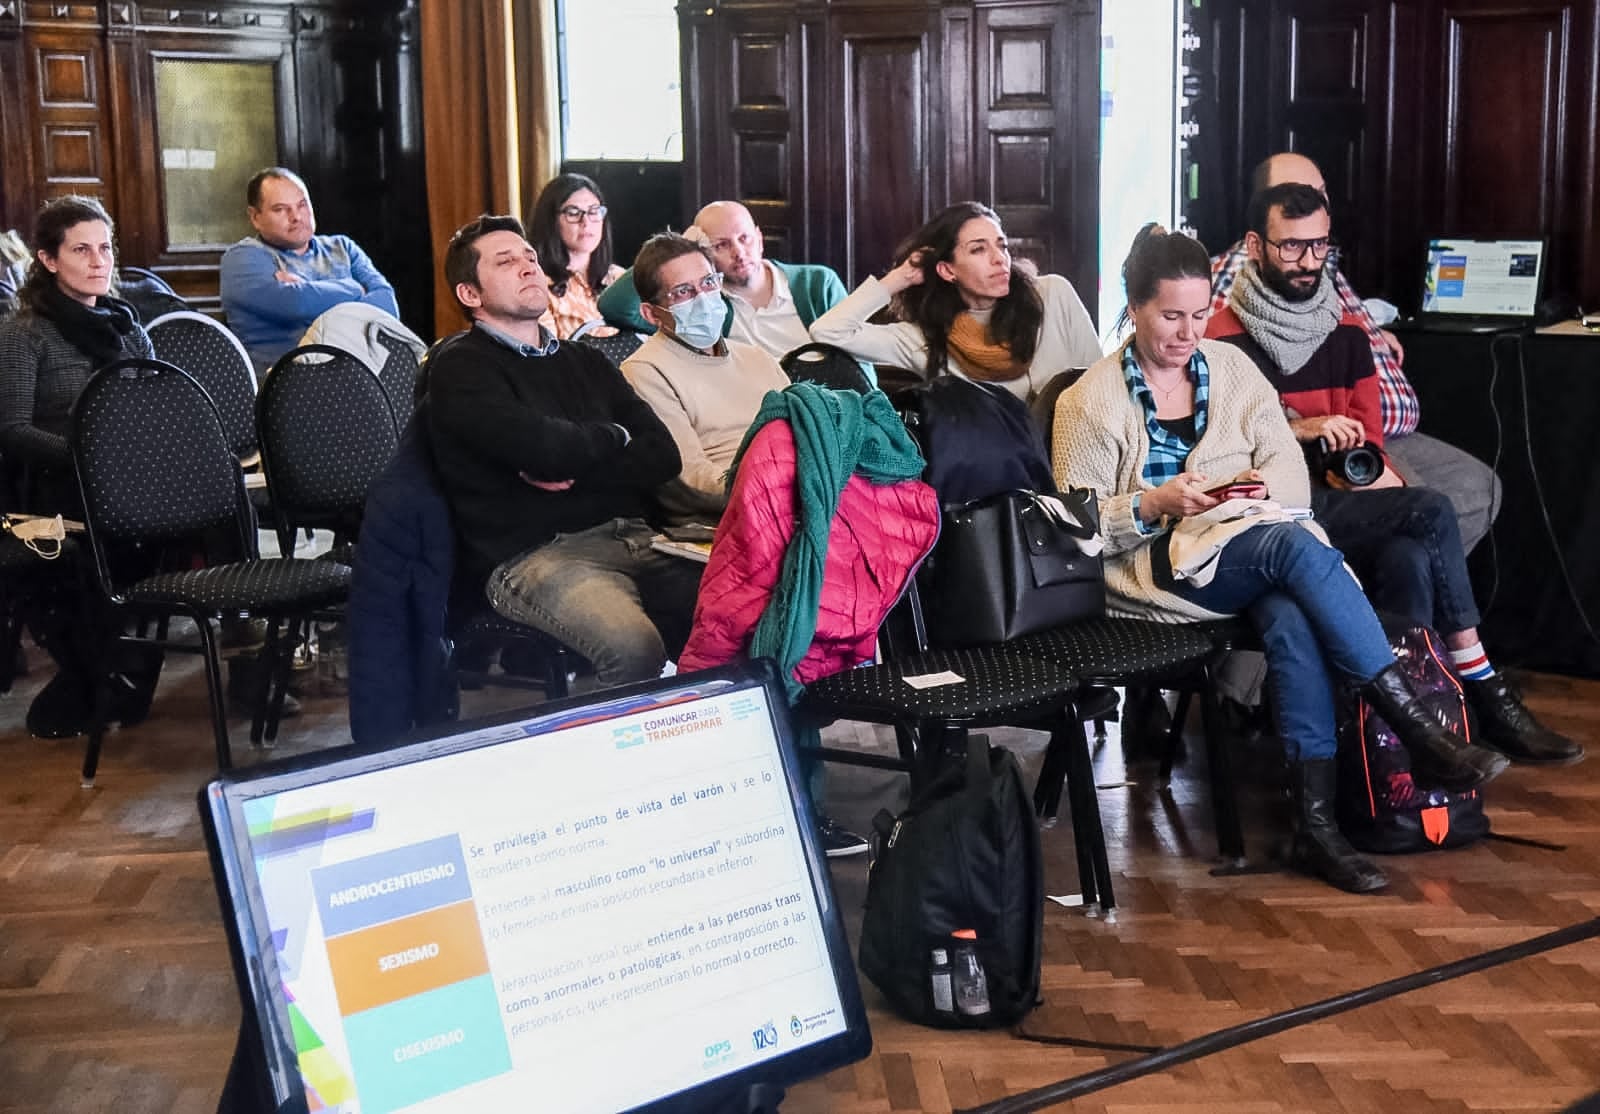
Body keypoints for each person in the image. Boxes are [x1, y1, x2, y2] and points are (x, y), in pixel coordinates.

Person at [1052, 224, 1512, 894]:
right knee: (1289, 548)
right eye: (1170, 316)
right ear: (1134, 305)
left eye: (1198, 313)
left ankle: (1315, 828)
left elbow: (1291, 478)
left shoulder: (1232, 371)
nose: (1187, 333)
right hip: (1152, 572)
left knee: (1292, 616)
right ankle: (1415, 726)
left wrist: (1254, 494)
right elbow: (1077, 532)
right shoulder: (1087, 403)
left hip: (1249, 548)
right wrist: (1152, 504)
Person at [1206, 184, 1582, 766]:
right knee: (1429, 507)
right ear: (1254, 246)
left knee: (1408, 554)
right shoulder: (1220, 335)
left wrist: (1363, 469)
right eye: (1291, 248)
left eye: (1320, 247)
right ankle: (1480, 686)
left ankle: (1395, 742)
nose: (1308, 263)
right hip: (1268, 512)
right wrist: (1299, 429)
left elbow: (1370, 439)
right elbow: (1221, 447)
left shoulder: (1350, 331)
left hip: (1334, 496)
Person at [426, 214, 700, 686]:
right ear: (470, 295)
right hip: (537, 556)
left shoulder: (585, 359)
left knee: (750, 609)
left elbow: (662, 455)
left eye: (530, 257)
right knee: (634, 649)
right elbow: (546, 450)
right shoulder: (459, 368)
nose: (530, 267)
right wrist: (614, 435)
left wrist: (575, 461)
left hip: (635, 535)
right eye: (507, 262)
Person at [1210, 152, 1500, 552]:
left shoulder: (1317, 263)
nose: (1314, 202)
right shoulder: (1242, 277)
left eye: (1320, 192)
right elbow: (1217, 363)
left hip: (1378, 428)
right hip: (1324, 443)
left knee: (1480, 488)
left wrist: (1374, 330)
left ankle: (1406, 594)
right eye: (1300, 193)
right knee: (1419, 516)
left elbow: (1336, 325)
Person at [0, 195, 156, 737]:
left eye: (106, 248)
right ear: (48, 259)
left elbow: (156, 408)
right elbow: (13, 430)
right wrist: (90, 458)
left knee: (212, 505)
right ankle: (99, 674)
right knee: (93, 545)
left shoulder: (127, 327)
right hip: (52, 487)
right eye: (81, 250)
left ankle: (239, 644)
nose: (99, 261)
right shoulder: (25, 333)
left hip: (128, 477)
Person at [810, 200, 1102, 401]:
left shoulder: (1052, 296)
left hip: (1075, 458)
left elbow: (1101, 382)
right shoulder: (924, 338)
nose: (999, 259)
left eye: (1001, 246)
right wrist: (900, 278)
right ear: (947, 270)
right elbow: (828, 331)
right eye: (978, 250)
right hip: (998, 479)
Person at [619, 231, 789, 522]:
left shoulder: (756, 357)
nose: (703, 299)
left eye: (709, 283)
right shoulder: (644, 371)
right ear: (651, 314)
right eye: (684, 292)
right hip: (727, 518)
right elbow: (691, 480)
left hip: (795, 496)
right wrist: (775, 489)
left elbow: (807, 434)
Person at [599, 200, 849, 360]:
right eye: (722, 245)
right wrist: (682, 245)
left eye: (745, 238)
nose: (739, 252)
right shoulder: (703, 305)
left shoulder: (817, 283)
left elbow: (854, 359)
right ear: (705, 251)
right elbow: (615, 307)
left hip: (826, 410)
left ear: (760, 239)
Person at [219, 167, 399, 372]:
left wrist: (308, 289)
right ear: (255, 217)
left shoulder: (343, 247)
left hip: (357, 376)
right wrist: (356, 289)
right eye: (280, 209)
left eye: (302, 205)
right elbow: (295, 304)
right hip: (286, 384)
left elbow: (388, 307)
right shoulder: (242, 258)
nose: (296, 216)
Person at [526, 172, 625, 339]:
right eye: (573, 213)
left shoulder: (620, 279)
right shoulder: (536, 284)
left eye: (594, 211)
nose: (586, 222)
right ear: (551, 221)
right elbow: (545, 357)